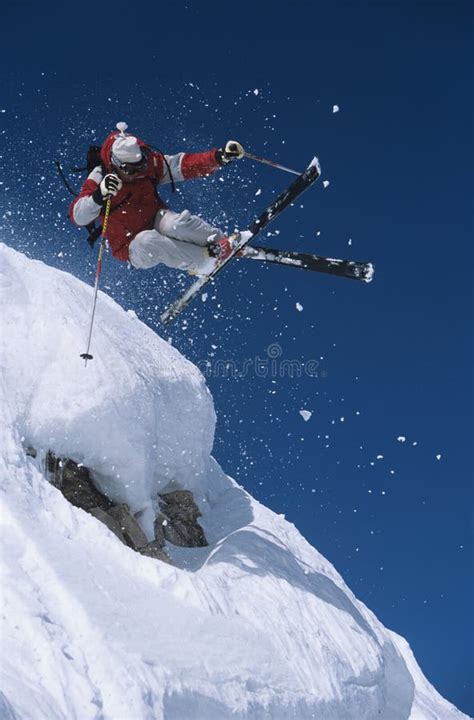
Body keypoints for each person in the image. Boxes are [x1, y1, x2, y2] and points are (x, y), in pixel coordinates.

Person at [69, 122, 245, 275]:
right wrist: (98, 196)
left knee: (176, 225)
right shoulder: (100, 176)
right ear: (115, 165)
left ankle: (222, 244)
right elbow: (78, 216)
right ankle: (204, 263)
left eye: (141, 167)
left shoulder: (148, 166)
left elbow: (181, 166)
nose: (137, 174)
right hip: (131, 245)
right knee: (148, 241)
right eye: (130, 170)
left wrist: (217, 158)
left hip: (155, 218)